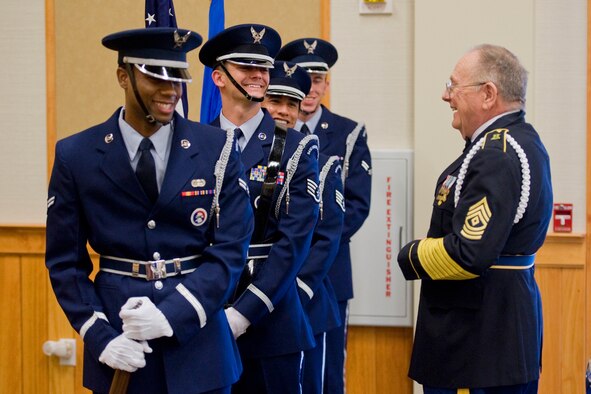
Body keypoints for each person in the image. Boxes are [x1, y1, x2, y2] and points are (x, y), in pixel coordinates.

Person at [45, 27, 254, 394]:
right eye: (155, 75)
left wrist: (172, 313)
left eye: (177, 75)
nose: (171, 88)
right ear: (123, 76)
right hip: (121, 344)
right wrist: (100, 336)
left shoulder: (216, 148)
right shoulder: (76, 155)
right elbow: (65, 263)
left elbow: (230, 249)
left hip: (200, 347)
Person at [397, 44, 553, 393]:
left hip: (479, 338)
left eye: (454, 86)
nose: (445, 96)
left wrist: (410, 255)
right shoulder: (511, 142)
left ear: (487, 94)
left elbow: (470, 253)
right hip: (488, 331)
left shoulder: (497, 153)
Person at [199, 24, 320, 393]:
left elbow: (294, 242)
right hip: (205, 314)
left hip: (271, 319)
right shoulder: (194, 143)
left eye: (264, 67)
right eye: (245, 66)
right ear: (218, 77)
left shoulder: (297, 148)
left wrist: (244, 312)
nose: (258, 75)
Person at [276, 38, 372, 394]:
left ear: (327, 83)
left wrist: (310, 247)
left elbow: (356, 206)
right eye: (305, 78)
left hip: (327, 273)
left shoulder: (348, 134)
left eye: (319, 79)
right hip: (270, 272)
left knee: (328, 372)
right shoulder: (266, 129)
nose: (312, 88)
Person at [263, 61, 344, 394]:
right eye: (275, 101)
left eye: (292, 105)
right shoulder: (233, 156)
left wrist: (291, 291)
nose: (284, 112)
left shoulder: (320, 163)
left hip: (302, 302)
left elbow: (326, 237)